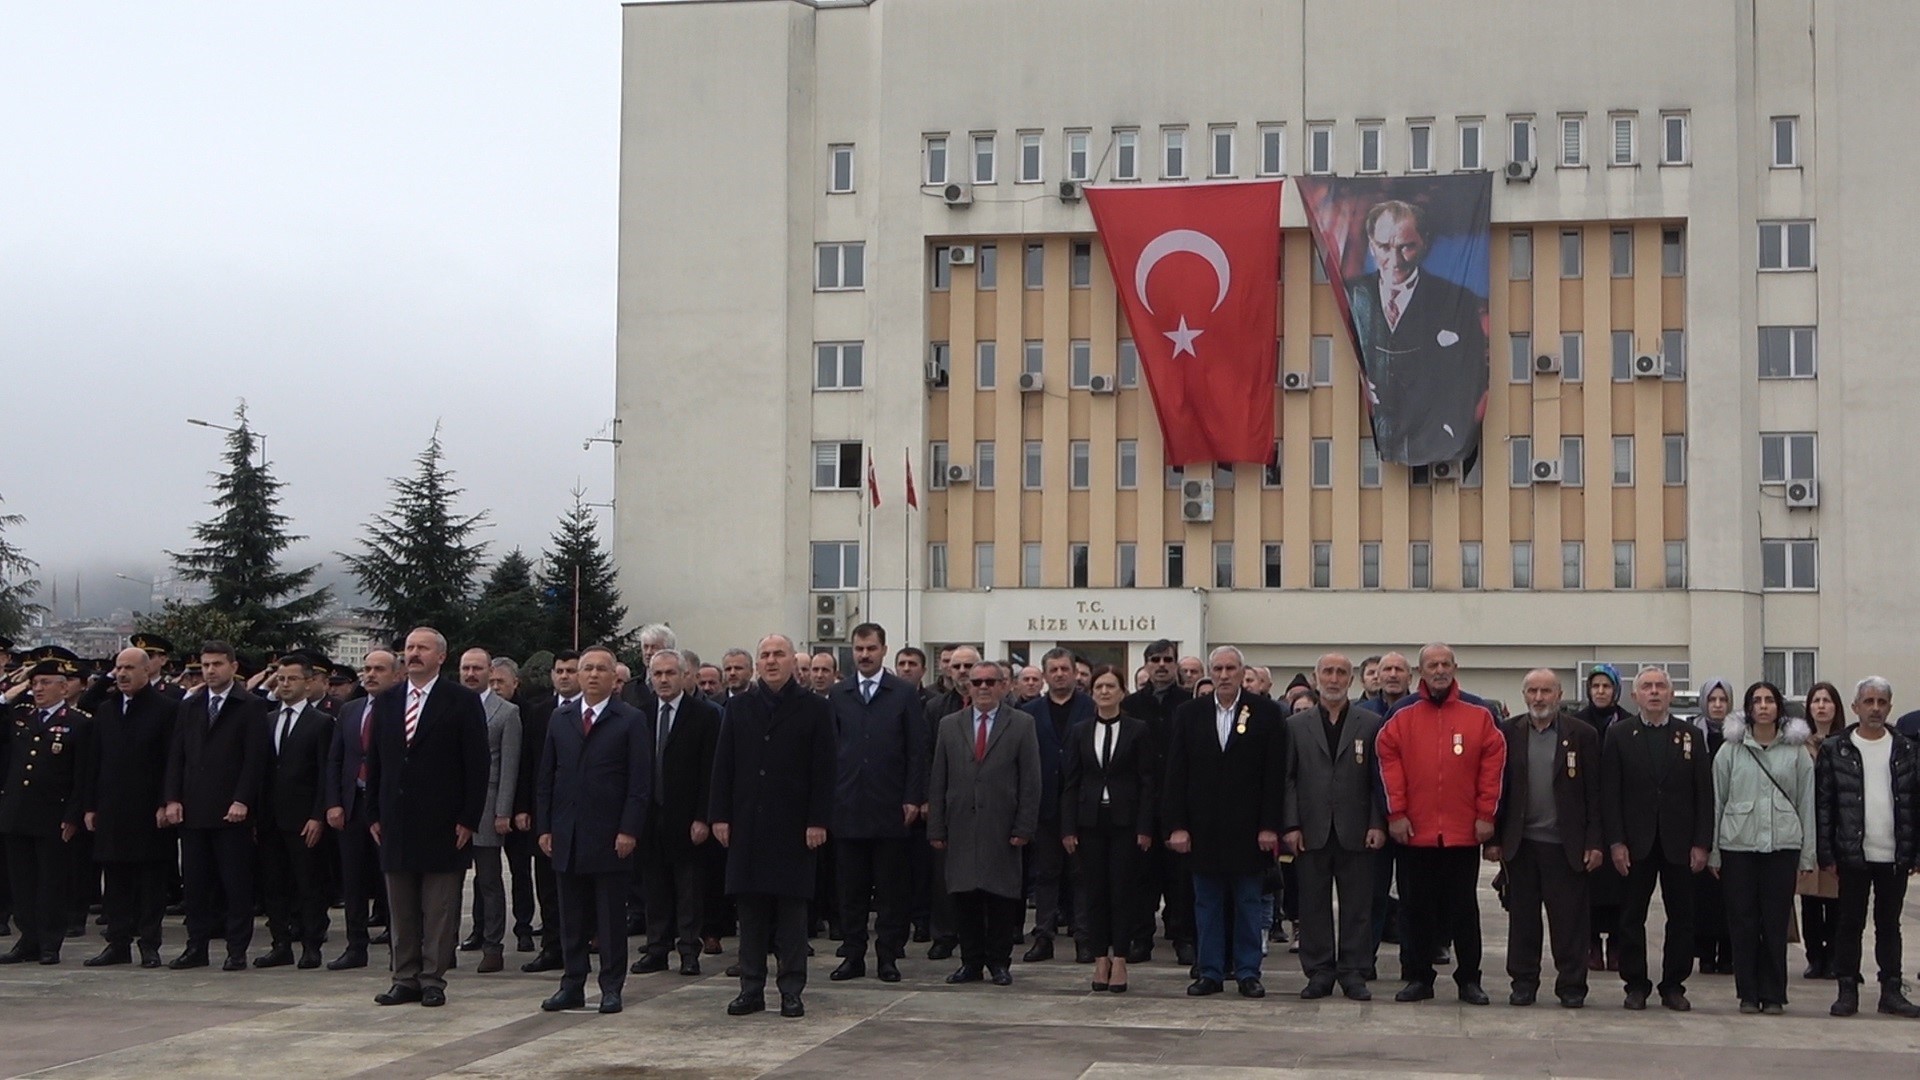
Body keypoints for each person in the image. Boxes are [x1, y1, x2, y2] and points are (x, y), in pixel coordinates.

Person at [710, 634, 835, 1019]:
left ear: (791, 661)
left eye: (778, 654)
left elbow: (824, 769)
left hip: (793, 827)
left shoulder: (813, 708)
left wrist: (818, 820)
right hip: (747, 825)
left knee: (791, 916)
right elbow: (723, 765)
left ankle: (791, 988)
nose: (771, 661)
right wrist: (720, 815)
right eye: (765, 655)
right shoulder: (740, 706)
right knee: (750, 914)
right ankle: (751, 988)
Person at [365, 627, 490, 1008]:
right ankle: (404, 977)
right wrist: (373, 812)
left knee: (438, 907)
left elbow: (477, 764)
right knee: (400, 906)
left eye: (422, 648)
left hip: (444, 821)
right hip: (395, 820)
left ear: (441, 657)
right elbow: (376, 764)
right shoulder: (386, 702)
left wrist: (469, 818)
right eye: (409, 647)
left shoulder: (461, 702)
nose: (414, 653)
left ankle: (433, 978)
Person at [1376, 643, 1503, 1005]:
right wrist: (1396, 815)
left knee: (1464, 910)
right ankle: (1419, 977)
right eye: (1432, 664)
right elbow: (1388, 765)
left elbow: (1492, 768)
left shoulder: (1479, 713)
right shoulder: (1401, 714)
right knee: (1416, 909)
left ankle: (1469, 980)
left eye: (1445, 663)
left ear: (1455, 667)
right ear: (1421, 671)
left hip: (1463, 834)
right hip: (1414, 833)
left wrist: (1485, 816)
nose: (1439, 670)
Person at [1164, 646, 1285, 998]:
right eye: (1217, 668)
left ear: (1242, 672)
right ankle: (1211, 971)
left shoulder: (1264, 712)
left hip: (1248, 830)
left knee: (1248, 902)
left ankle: (1248, 972)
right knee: (1207, 904)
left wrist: (1269, 825)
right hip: (1202, 829)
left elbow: (1273, 775)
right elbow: (1176, 773)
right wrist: (1177, 825)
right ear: (1210, 672)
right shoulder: (1190, 713)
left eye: (1231, 668)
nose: (1224, 674)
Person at [536, 645, 648, 1015]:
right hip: (567, 832)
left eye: (602, 668)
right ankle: (572, 983)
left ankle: (611, 986)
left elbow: (639, 781)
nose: (593, 675)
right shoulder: (561, 718)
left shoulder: (629, 719)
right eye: (588, 668)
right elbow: (548, 776)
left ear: (614, 677)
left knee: (610, 917)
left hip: (610, 834)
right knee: (571, 917)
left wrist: (629, 829)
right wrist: (546, 826)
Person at [1342, 198, 1489, 465]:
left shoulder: (1457, 301)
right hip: (1368, 441)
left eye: (1405, 247)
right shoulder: (1351, 296)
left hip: (1437, 441)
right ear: (1371, 245)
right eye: (1384, 247)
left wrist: (1450, 431)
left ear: (1425, 243)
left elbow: (1474, 372)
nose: (1394, 260)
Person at [1487, 670, 1602, 1008]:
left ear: (1559, 694)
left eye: (1546, 691)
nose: (1539, 698)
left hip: (1566, 844)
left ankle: (1571, 985)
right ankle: (1523, 982)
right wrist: (1493, 838)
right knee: (1522, 919)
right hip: (1520, 844)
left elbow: (1595, 793)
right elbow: (1497, 790)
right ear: (1524, 695)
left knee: (1569, 922)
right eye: (1533, 691)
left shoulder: (1583, 735)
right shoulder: (1507, 733)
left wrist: (1594, 841)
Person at [1601, 667, 1712, 1011]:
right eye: (1646, 687)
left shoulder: (1691, 735)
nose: (1653, 692)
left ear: (1671, 694)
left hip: (1680, 842)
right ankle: (1635, 984)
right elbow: (1611, 793)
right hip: (1636, 842)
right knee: (1632, 915)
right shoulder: (1619, 734)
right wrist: (1616, 842)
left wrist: (1702, 842)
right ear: (1634, 696)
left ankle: (1673, 985)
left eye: (1660, 686)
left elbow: (1704, 795)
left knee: (1682, 916)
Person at [927, 660, 1041, 987]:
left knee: (1002, 898)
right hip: (961, 824)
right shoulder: (950, 725)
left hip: (1002, 826)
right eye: (977, 682)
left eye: (991, 681)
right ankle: (970, 963)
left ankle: (999, 963)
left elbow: (1031, 781)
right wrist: (936, 826)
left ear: (1004, 685)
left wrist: (1024, 827)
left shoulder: (1021, 724)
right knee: (965, 897)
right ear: (968, 687)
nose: (984, 688)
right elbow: (939, 778)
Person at [1280, 652, 1385, 1001]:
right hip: (1311, 830)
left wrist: (1376, 823)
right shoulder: (1296, 725)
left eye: (1341, 672)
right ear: (1315, 677)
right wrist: (1291, 825)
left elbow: (1376, 781)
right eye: (1328, 672)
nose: (1334, 679)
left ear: (1352, 680)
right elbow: (1289, 779)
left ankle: (1354, 972)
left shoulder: (1369, 723)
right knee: (1312, 905)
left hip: (1356, 829)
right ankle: (1319, 972)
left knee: (1358, 906)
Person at [824, 624, 926, 983]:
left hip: (890, 807)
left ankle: (888, 957)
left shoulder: (902, 693)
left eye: (871, 648)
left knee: (890, 890)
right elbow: (828, 752)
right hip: (848, 806)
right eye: (858, 648)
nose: (864, 655)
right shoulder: (839, 695)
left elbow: (917, 750)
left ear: (884, 650)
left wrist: (914, 797)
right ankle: (853, 956)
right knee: (850, 890)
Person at [1815, 676, 1920, 1018]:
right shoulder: (1836, 748)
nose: (1875, 708)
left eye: (1882, 702)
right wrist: (1827, 853)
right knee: (1850, 922)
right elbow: (1824, 806)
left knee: (1889, 923)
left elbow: (1916, 803)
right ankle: (1847, 989)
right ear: (1856, 706)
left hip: (1894, 853)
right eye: (1869, 702)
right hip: (1852, 853)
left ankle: (1891, 989)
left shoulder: (1907, 749)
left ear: (1890, 706)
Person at [162, 641, 269, 972]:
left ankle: (237, 949)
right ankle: (196, 947)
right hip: (193, 809)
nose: (210, 671)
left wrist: (243, 800)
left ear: (233, 667)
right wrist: (172, 798)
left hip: (230, 810)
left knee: (235, 884)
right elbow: (177, 756)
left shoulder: (249, 705)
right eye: (205, 665)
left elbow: (255, 760)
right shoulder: (191, 705)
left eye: (217, 664)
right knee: (195, 885)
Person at [1711, 680, 1816, 1015]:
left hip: (1782, 846)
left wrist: (1808, 855)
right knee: (1742, 922)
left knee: (1774, 923)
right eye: (1756, 700)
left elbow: (1806, 804)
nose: (1764, 706)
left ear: (1779, 707)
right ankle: (1747, 993)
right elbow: (1717, 801)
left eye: (1770, 700)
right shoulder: (1730, 750)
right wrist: (1713, 851)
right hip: (1738, 846)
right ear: (1748, 709)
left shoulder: (1797, 753)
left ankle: (1774, 994)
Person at [82, 647, 176, 968]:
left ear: (146, 671)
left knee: (150, 882)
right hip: (112, 809)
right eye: (118, 668)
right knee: (116, 880)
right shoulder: (107, 711)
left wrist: (167, 801)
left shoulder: (165, 710)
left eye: (129, 668)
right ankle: (117, 943)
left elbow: (171, 762)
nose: (121, 674)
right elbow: (94, 762)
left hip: (149, 810)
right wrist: (91, 806)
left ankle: (149, 943)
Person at [1061, 665, 1153, 993]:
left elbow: (1146, 781)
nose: (1104, 692)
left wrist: (1145, 827)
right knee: (1094, 891)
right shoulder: (1080, 730)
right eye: (1099, 686)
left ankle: (1122, 959)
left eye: (1110, 686)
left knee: (1122, 891)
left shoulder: (1138, 729)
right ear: (1092, 692)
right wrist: (1068, 827)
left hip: (1125, 822)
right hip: (1090, 822)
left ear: (1121, 692)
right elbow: (1070, 782)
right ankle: (1100, 957)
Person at [0, 654, 93, 965]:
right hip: (17, 813)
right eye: (35, 683)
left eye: (45, 683)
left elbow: (82, 776)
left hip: (53, 815)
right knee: (21, 883)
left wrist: (73, 815)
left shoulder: (77, 723)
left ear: (64, 688)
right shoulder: (21, 716)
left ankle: (50, 942)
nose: (38, 689)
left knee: (51, 883)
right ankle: (28, 939)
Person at [632, 648, 720, 977]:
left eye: (670, 673)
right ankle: (657, 948)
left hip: (687, 818)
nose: (664, 680)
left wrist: (703, 816)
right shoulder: (639, 715)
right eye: (658, 674)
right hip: (650, 816)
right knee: (654, 888)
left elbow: (710, 769)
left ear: (684, 676)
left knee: (689, 890)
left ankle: (688, 951)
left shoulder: (704, 715)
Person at [256, 654, 336, 970]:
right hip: (270, 818)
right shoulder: (268, 720)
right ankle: (280, 943)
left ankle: (311, 944)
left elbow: (324, 773)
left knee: (308, 884)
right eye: (281, 679)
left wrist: (318, 815)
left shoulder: (321, 723)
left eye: (291, 679)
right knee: (274, 885)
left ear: (307, 682)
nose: (285, 685)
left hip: (304, 818)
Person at [323, 649, 400, 970]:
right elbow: (337, 759)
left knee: (393, 882)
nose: (370, 675)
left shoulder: (403, 710)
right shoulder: (350, 710)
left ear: (397, 676)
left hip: (388, 808)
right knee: (352, 880)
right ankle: (356, 946)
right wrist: (334, 802)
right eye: (366, 669)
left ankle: (401, 948)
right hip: (354, 805)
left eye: (378, 669)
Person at [1121, 639, 1191, 966]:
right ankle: (1140, 938)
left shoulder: (1189, 704)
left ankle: (1183, 938)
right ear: (1146, 664)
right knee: (1141, 878)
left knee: (1180, 878)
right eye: (1155, 659)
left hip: (1180, 802)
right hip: (1141, 803)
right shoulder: (1130, 705)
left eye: (1167, 659)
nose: (1161, 665)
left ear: (1176, 663)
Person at [454, 647, 520, 973]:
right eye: (465, 668)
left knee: (489, 880)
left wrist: (503, 811)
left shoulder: (506, 713)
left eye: (477, 668)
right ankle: (445, 944)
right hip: (450, 807)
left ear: (489, 670)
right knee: (448, 881)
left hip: (488, 808)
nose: (470, 674)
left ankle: (493, 946)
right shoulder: (449, 706)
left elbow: (509, 766)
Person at [517, 651, 577, 973]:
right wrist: (523, 807)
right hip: (545, 812)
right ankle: (552, 947)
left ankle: (579, 945)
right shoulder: (539, 712)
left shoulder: (589, 712)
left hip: (581, 813)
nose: (564, 676)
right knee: (547, 883)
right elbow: (528, 763)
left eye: (571, 670)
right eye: (559, 671)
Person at [1021, 648, 1081, 963]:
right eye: (1053, 670)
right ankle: (1043, 936)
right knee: (1045, 874)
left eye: (1064, 669)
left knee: (1082, 875)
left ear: (1074, 672)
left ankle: (1085, 936)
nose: (1059, 674)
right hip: (1043, 804)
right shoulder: (1029, 712)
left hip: (1082, 806)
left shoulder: (1091, 707)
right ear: (1045, 675)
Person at [1573, 665, 1633, 974]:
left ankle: (1618, 946)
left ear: (1616, 690)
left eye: (1606, 686)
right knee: (1590, 886)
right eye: (1595, 686)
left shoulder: (1628, 723)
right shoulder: (1576, 724)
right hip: (1587, 814)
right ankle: (1591, 944)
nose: (1600, 691)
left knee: (1621, 885)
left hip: (1622, 813)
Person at [1795, 680, 1844, 980]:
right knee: (1810, 898)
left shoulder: (1846, 742)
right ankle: (1815, 957)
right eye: (1816, 701)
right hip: (1807, 828)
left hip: (1839, 831)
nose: (1821, 706)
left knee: (1838, 899)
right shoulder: (1800, 745)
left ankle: (1837, 957)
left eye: (1826, 700)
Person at [1688, 677, 1735, 975]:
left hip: (1732, 822)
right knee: (1701, 893)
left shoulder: (1740, 736)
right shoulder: (1692, 735)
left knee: (1731, 893)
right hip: (1699, 821)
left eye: (1723, 700)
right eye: (1712, 700)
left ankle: (1729, 952)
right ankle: (1704, 952)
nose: (1717, 705)